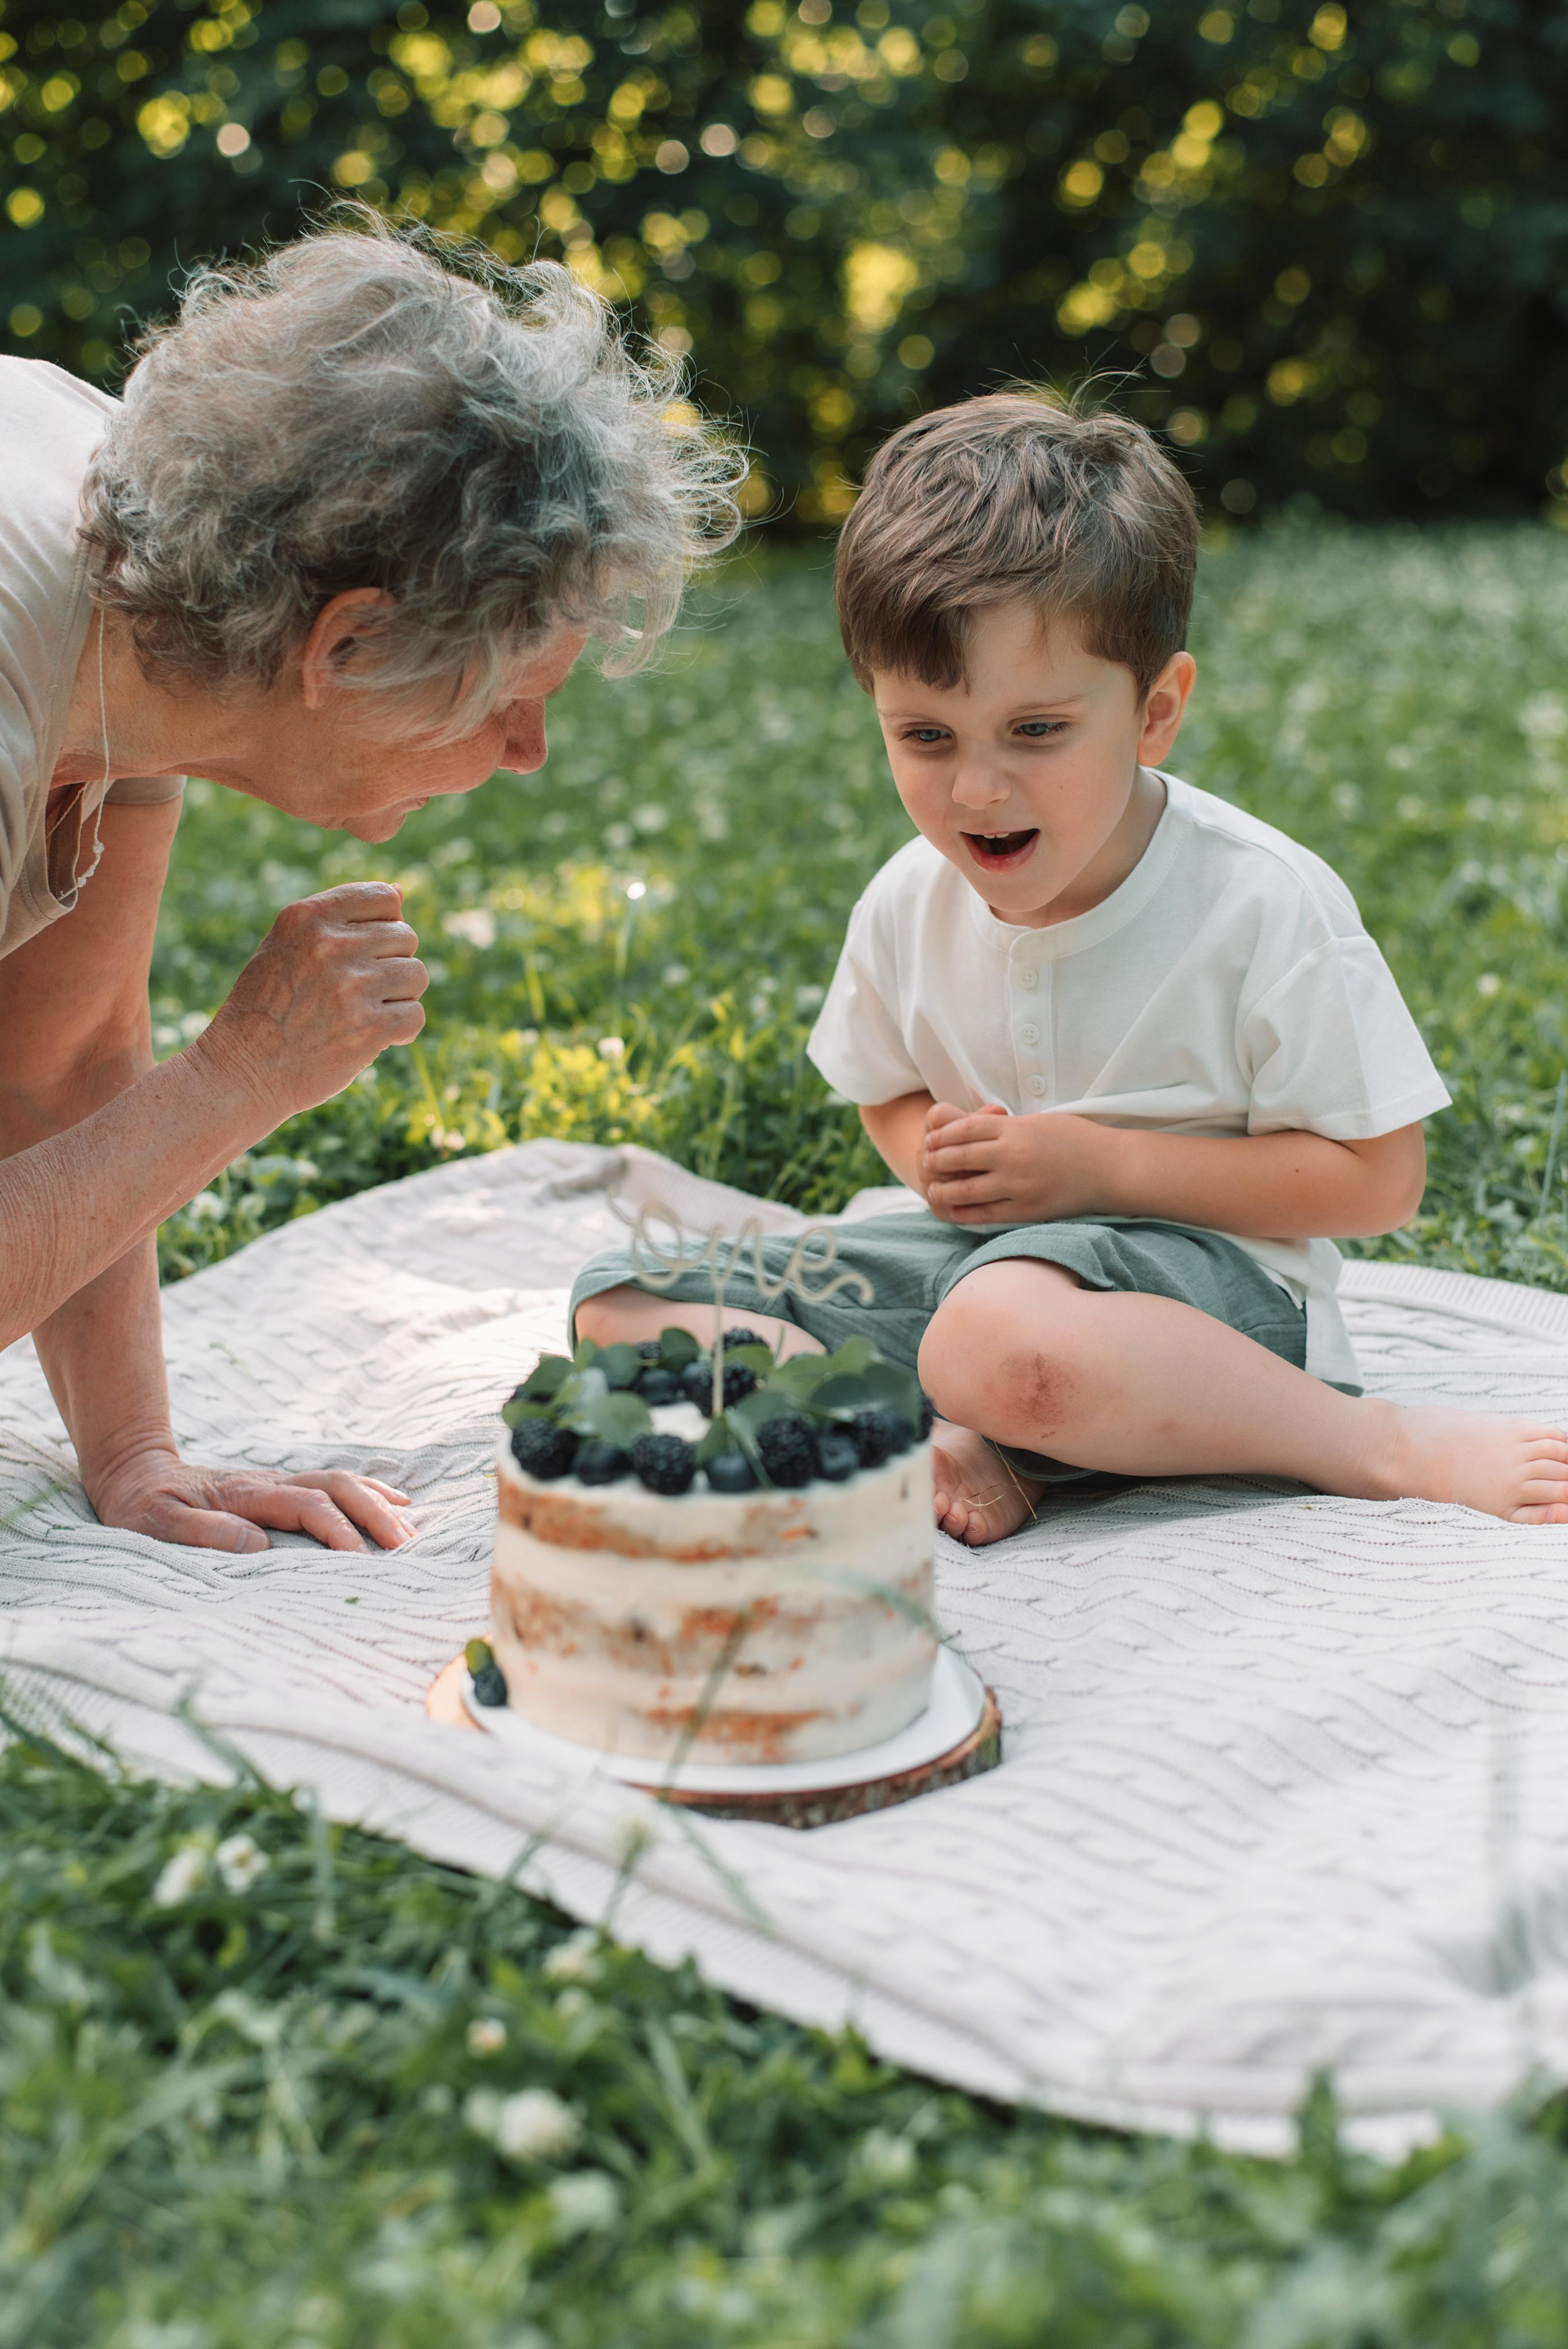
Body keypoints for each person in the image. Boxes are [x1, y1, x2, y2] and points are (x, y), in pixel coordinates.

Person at [572, 391, 1568, 1535]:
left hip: (1201, 1300)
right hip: (976, 1268)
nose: (977, 790)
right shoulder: (909, 899)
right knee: (626, 1298)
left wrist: (1098, 1168)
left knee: (1004, 1338)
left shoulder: (1256, 901)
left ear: (1156, 712)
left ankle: (1370, 1445)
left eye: (1036, 732)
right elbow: (889, 1088)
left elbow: (1381, 1181)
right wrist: (938, 1164)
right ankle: (947, 1435)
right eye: (926, 736)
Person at [1, 212, 734, 1556]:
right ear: (347, 644)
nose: (528, 758)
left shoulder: (153, 608)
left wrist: (132, 1457)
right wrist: (235, 1078)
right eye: (512, 701)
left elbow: (62, 1061)